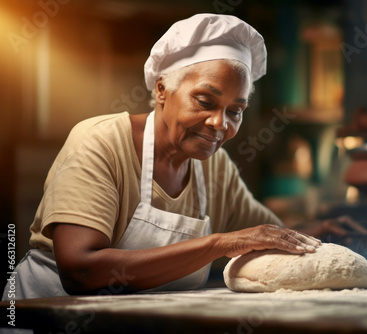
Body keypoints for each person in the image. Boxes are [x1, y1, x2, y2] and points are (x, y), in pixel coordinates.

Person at [2, 13, 322, 300]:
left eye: (235, 111)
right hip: (42, 319)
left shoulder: (216, 167)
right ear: (161, 90)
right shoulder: (102, 141)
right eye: (205, 101)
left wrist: (319, 231)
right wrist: (219, 244)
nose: (220, 124)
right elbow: (81, 271)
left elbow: (264, 234)